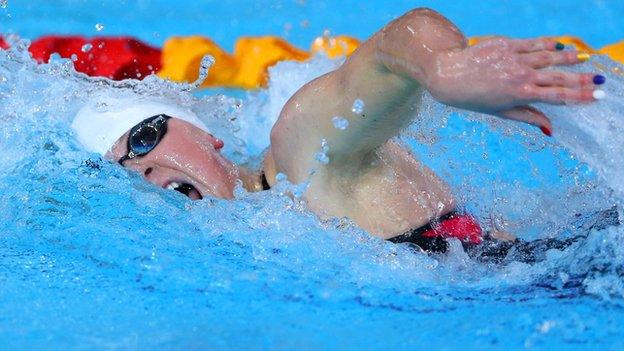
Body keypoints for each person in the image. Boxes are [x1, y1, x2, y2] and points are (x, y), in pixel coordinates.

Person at [72, 8, 609, 261]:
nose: (141, 169)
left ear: (204, 132)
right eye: (121, 167)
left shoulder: (300, 159)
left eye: (143, 139)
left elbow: (396, 44)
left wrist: (444, 70)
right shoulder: (246, 243)